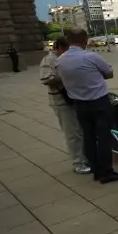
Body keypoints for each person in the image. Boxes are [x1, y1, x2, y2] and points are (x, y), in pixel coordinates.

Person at [55, 29, 118, 183]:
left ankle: (96, 171)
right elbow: (109, 73)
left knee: (88, 137)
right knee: (104, 137)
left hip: (80, 105)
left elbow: (61, 80)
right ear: (85, 41)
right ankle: (107, 172)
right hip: (99, 102)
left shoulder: (60, 60)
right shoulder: (90, 57)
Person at [40, 36, 90, 174]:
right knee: (73, 134)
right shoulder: (50, 59)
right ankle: (78, 163)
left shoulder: (65, 58)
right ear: (60, 48)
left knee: (80, 131)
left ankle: (84, 158)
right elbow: (46, 78)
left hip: (75, 99)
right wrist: (66, 76)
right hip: (61, 101)